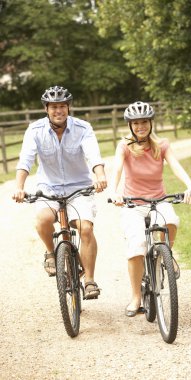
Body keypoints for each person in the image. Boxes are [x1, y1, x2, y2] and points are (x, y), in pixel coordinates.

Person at [12, 85, 107, 299]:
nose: (58, 111)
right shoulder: (35, 130)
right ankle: (50, 252)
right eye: (54, 107)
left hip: (79, 188)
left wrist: (100, 175)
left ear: (68, 107)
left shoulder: (83, 128)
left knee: (85, 228)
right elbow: (25, 160)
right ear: (46, 109)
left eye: (62, 106)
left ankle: (89, 280)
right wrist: (19, 187)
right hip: (49, 187)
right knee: (43, 219)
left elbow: (93, 155)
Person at [109, 101, 191, 316]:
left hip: (158, 200)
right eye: (136, 123)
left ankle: (167, 255)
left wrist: (190, 185)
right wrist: (114, 191)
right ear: (130, 125)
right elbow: (117, 169)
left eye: (144, 122)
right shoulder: (124, 147)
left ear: (151, 123)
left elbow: (175, 166)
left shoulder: (162, 145)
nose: (141, 126)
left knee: (172, 221)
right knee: (137, 246)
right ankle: (136, 297)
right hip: (133, 204)